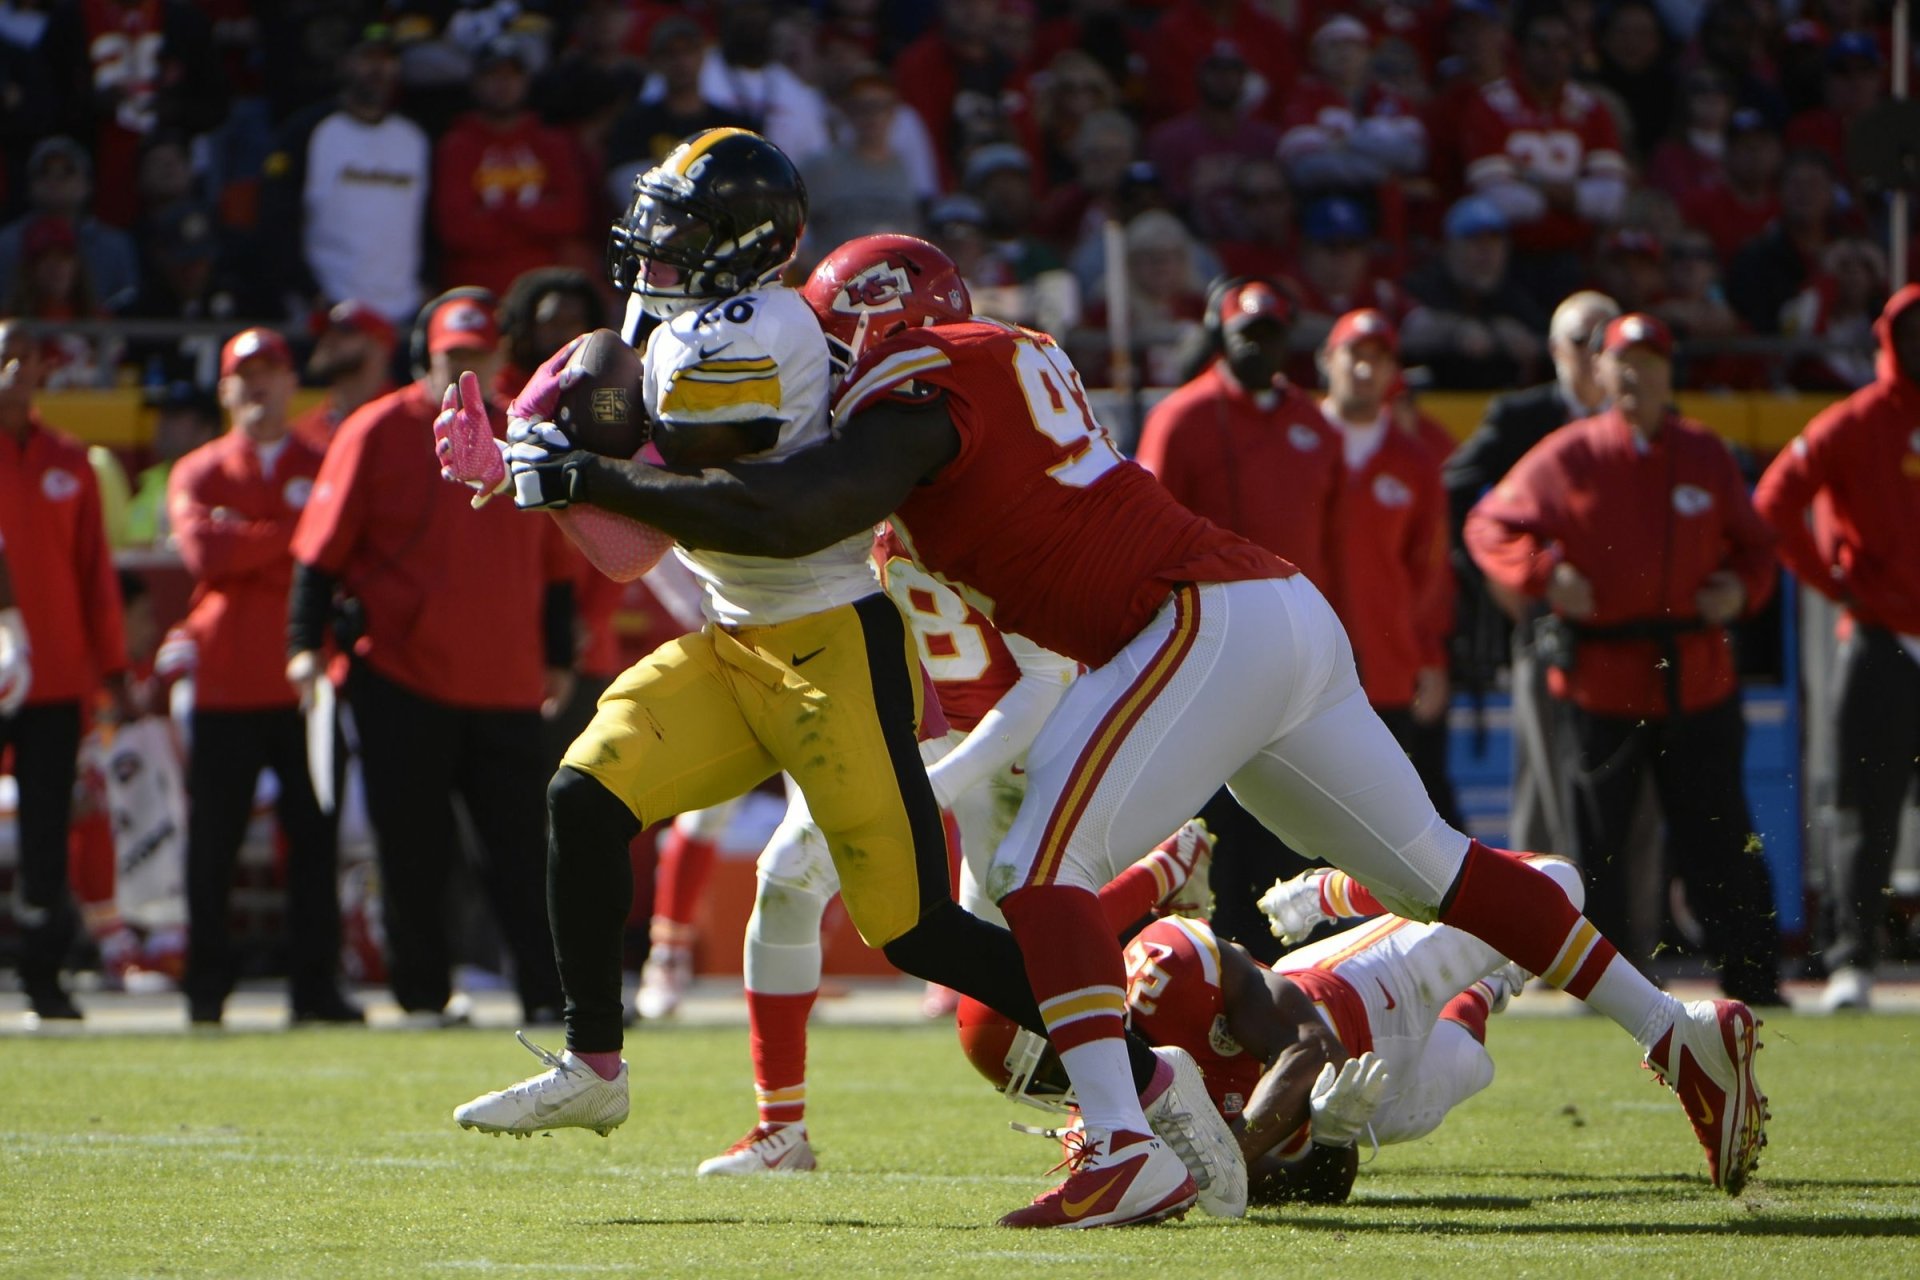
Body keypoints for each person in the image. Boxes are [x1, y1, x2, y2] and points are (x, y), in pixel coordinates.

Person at [495, 233, 1771, 1214]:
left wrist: (597, 470)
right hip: (1268, 615)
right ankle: (1681, 1033)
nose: (823, 348)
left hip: (1199, 620)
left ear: (883, 320)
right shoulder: (997, 359)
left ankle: (1118, 1140)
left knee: (1035, 863)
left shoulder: (922, 388)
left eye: (838, 325)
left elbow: (789, 508)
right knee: (1435, 868)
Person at [441, 146, 1243, 1229]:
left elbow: (736, 498)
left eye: (677, 227)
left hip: (828, 646)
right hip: (735, 642)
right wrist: (526, 470)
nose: (653, 248)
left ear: (741, 239)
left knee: (917, 931)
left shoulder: (760, 335)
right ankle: (596, 1058)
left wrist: (573, 455)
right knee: (582, 795)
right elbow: (636, 548)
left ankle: (1150, 1078)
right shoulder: (681, 333)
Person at [1465, 313, 1782, 1004]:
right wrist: (1545, 573)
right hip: (1599, 685)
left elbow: (1758, 548)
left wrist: (1743, 589)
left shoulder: (1704, 453)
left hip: (1695, 677)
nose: (1635, 373)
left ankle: (1756, 981)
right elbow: (1489, 523)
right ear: (1601, 374)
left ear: (1671, 372)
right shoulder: (1568, 453)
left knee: (1721, 838)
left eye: (1650, 359)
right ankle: (1606, 993)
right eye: (1622, 360)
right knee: (1598, 851)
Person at [962, 853, 1581, 1204]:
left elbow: (1310, 1048)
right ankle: (1487, 984)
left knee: (1555, 884)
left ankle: (1334, 891)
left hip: (1366, 991)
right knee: (1471, 1063)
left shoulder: (1166, 970)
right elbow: (1320, 1190)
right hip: (1375, 1105)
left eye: (1050, 1066)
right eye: (1040, 1086)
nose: (1065, 1090)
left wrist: (1219, 1155)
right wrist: (1332, 1138)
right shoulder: (1113, 1137)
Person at [287, 291, 571, 1025]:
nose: (465, 372)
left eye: (478, 357)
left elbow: (556, 561)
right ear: (428, 357)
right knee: (413, 850)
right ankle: (422, 995)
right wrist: (303, 644)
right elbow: (319, 551)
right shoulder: (377, 430)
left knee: (521, 851)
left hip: (507, 677)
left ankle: (548, 994)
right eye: (453, 358)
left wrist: (561, 653)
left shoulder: (528, 431)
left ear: (503, 358)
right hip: (401, 674)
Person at [169, 329, 359, 1026]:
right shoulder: (200, 469)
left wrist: (247, 533)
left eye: (271, 371)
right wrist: (291, 534)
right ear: (224, 390)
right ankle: (205, 989)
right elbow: (203, 555)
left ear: (290, 383)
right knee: (212, 845)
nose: (258, 386)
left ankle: (315, 989)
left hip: (305, 683)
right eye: (243, 375)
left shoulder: (325, 460)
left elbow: (339, 547)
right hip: (225, 681)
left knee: (314, 841)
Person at [1753, 285, 1920, 1013]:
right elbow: (1774, 501)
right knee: (1863, 808)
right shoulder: (1856, 422)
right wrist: (1834, 583)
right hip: (1882, 639)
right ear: (1888, 339)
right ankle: (1854, 960)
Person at [1443, 289, 1620, 856]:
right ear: (1552, 349)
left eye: (1608, 341)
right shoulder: (1523, 418)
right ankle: (1544, 927)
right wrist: (1511, 577)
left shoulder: (1646, 423)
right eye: (1581, 340)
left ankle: (1629, 933)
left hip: (1633, 626)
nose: (1595, 354)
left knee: (1629, 792)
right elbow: (1453, 494)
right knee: (1545, 784)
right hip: (1549, 624)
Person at [0, 317, 132, 1020]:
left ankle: (43, 976)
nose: (17, 371)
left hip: (52, 677)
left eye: (28, 359)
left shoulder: (69, 459)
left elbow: (93, 575)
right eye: (6, 357)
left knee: (49, 832)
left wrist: (110, 670)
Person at [1317, 310, 1460, 828]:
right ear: (1328, 360)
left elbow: (1430, 572)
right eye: (1354, 355)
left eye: (1378, 359)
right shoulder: (1296, 443)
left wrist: (1428, 652)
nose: (1364, 370)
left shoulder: (1414, 461)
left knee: (1392, 820)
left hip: (1387, 667)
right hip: (1301, 667)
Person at [258, 23, 430, 325]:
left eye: (387, 59)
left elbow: (429, 222)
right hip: (330, 313)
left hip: (403, 314)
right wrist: (306, 291)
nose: (378, 69)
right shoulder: (307, 131)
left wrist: (429, 284)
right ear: (344, 63)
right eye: (367, 58)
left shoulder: (415, 138)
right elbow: (276, 218)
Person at [1460, 4, 1628, 309]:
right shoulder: (1491, 105)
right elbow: (1498, 201)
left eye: (1563, 46)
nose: (1554, 55)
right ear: (1520, 48)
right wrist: (1574, 197)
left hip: (1574, 258)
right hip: (1508, 258)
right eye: (1542, 44)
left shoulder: (1591, 109)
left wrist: (1530, 180)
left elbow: (1610, 199)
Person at [432, 37, 591, 298]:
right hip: (476, 292)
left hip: (544, 295)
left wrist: (497, 211)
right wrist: (536, 218)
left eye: (511, 75)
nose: (502, 84)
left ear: (526, 81)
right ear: (475, 83)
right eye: (492, 76)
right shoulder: (456, 146)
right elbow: (456, 231)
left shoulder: (554, 144)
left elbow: (571, 217)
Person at [291, 301, 398, 452]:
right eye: (325, 332)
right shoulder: (303, 433)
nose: (329, 339)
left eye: (345, 331)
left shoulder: (406, 420)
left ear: (380, 345)